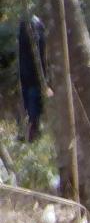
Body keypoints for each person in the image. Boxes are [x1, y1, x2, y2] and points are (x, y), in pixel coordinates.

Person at [17, 14, 47, 143]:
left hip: (30, 74)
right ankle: (31, 130)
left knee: (32, 102)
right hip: (30, 74)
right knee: (31, 102)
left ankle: (32, 130)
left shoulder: (31, 26)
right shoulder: (33, 26)